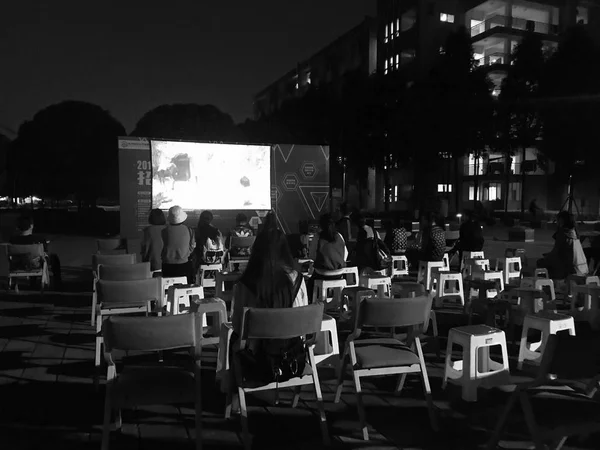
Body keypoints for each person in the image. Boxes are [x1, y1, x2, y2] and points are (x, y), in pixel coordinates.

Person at [231, 213, 309, 337]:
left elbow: (237, 325)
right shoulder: (297, 280)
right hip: (290, 351)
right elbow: (302, 319)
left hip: (254, 353)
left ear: (256, 250)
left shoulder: (244, 283)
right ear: (285, 250)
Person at [10, 216, 62, 289]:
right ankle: (58, 283)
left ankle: (32, 283)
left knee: (31, 257)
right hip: (35, 264)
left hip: (18, 265)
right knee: (52, 257)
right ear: (31, 226)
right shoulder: (39, 239)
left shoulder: (13, 240)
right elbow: (45, 251)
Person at [306, 214, 349, 297]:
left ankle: (313, 301)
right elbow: (345, 254)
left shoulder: (318, 237)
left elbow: (312, 256)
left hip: (322, 272)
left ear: (320, 225)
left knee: (310, 283)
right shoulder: (339, 236)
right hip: (339, 272)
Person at [537, 211, 588, 279]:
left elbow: (555, 253)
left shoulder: (563, 234)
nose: (556, 222)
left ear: (561, 221)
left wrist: (547, 257)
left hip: (570, 269)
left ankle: (546, 285)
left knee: (541, 263)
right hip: (582, 268)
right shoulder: (574, 233)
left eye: (557, 220)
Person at [161, 206, 195, 283]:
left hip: (168, 265)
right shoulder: (189, 230)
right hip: (184, 265)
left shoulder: (164, 231)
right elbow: (192, 246)